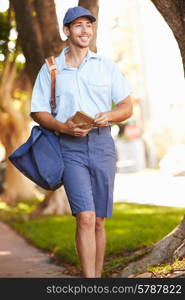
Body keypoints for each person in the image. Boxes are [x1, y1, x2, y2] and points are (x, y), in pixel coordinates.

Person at [30, 6, 133, 278]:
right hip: (68, 148)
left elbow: (126, 106)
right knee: (85, 217)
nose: (85, 30)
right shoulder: (52, 68)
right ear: (67, 31)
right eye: (78, 26)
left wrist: (109, 115)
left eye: (89, 25)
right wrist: (62, 126)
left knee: (98, 220)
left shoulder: (107, 67)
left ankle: (96, 281)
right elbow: (38, 111)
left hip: (102, 145)